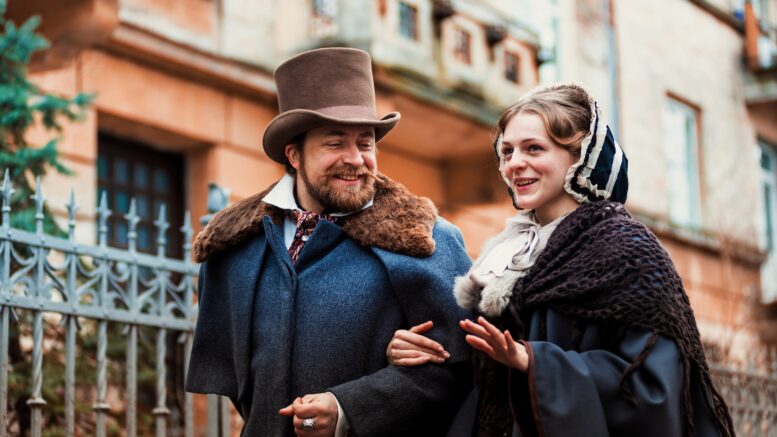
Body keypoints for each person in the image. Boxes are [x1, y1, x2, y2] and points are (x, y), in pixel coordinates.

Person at [386, 83, 736, 437]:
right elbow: (479, 376)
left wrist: (536, 363)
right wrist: (422, 352)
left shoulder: (628, 251)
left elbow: (652, 390)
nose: (514, 163)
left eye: (533, 148)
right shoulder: (503, 256)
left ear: (579, 157)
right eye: (507, 151)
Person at [185, 47, 473, 437]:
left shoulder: (428, 239)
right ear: (294, 155)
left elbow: (463, 370)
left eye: (365, 144)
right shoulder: (235, 249)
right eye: (335, 144)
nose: (355, 158)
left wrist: (348, 409)